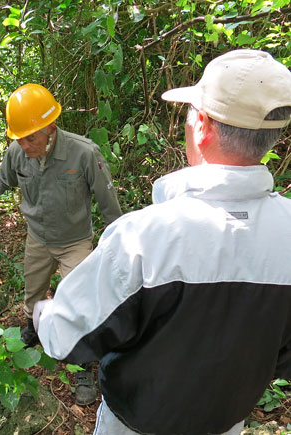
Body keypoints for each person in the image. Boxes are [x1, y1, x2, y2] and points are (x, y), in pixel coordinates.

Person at [34, 49, 291, 434]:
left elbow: (65, 337)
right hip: (226, 425)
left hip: (134, 426)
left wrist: (42, 314)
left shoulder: (145, 238)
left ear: (202, 125)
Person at [0, 83, 122, 405]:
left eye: (30, 137)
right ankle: (33, 329)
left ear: (51, 128)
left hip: (74, 242)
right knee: (32, 293)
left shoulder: (84, 152)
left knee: (78, 305)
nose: (24, 145)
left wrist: (117, 240)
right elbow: (1, 178)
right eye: (19, 138)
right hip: (37, 237)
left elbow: (108, 202)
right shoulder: (18, 152)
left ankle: (81, 365)